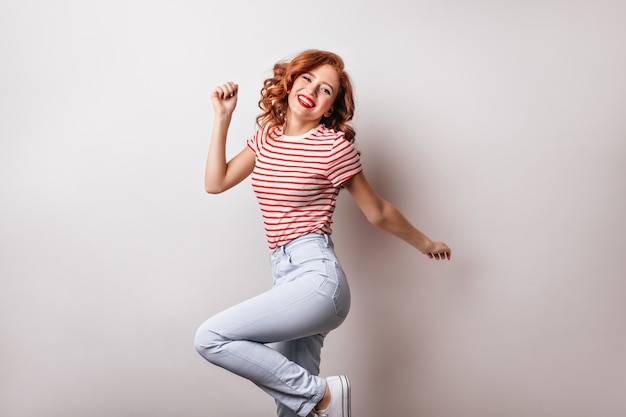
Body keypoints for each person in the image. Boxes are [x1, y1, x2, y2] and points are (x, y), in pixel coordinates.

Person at [194, 49, 451, 417]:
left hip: (316, 279)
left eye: (326, 90)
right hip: (285, 279)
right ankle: (317, 400)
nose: (313, 91)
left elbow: (377, 211)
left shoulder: (332, 148)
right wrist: (223, 118)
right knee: (289, 409)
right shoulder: (267, 138)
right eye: (308, 79)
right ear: (292, 81)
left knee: (211, 337)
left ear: (330, 107)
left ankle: (323, 395)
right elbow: (215, 183)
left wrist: (426, 243)